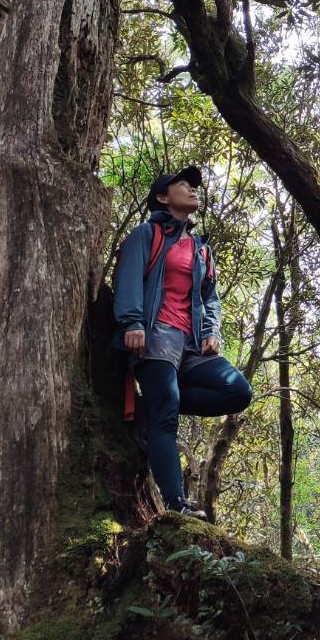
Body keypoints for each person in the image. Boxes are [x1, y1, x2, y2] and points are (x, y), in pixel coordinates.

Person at [113, 165, 253, 518]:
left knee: (238, 392)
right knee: (166, 418)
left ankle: (151, 406)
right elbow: (128, 277)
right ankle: (177, 504)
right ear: (163, 198)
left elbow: (210, 298)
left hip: (192, 343)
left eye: (194, 186)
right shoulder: (147, 234)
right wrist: (132, 322)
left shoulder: (201, 248)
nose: (193, 189)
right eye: (183, 185)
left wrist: (212, 331)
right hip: (156, 336)